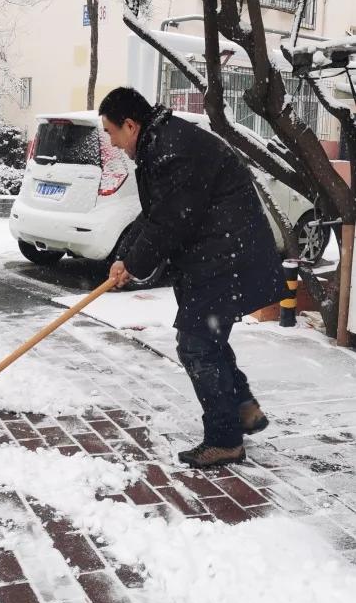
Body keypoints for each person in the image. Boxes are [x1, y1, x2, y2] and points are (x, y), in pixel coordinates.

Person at [99, 87, 286, 469]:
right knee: (207, 341)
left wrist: (134, 265)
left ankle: (224, 440)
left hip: (227, 258)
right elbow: (153, 214)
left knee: (197, 345)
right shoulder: (161, 143)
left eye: (111, 132)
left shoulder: (172, 149)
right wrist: (123, 257)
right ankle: (243, 409)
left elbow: (170, 221)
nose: (113, 143)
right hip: (218, 256)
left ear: (130, 125)